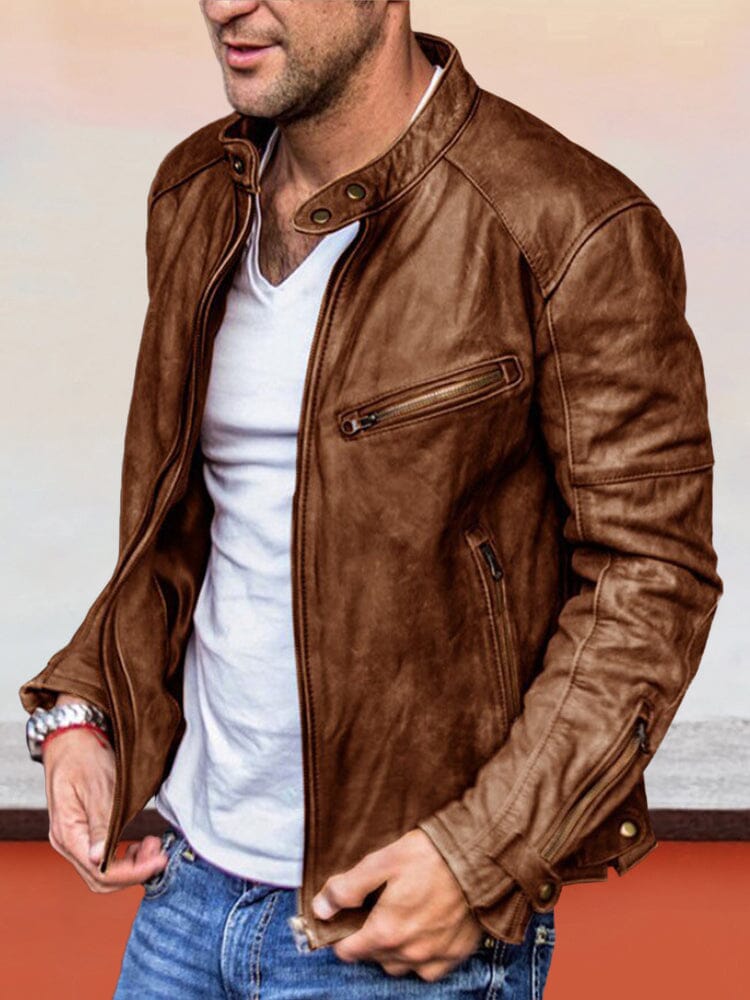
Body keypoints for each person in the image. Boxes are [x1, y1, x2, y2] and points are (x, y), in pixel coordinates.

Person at [20, 2, 721, 997]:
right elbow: (189, 526)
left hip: (393, 929)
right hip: (185, 892)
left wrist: (480, 857)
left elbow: (653, 578)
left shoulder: (568, 222)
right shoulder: (196, 192)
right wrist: (82, 711)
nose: (223, 6)